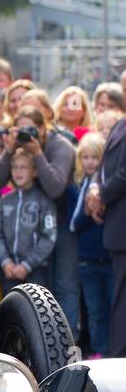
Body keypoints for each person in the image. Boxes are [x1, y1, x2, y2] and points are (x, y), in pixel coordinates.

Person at [0, 105, 79, 333]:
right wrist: (8, 150)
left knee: (63, 287)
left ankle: (63, 345)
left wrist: (38, 153)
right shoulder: (16, 151)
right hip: (18, 252)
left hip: (61, 221)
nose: (24, 133)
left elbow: (55, 188)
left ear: (43, 127)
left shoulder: (60, 145)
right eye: (19, 128)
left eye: (30, 128)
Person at [0, 147, 58, 294]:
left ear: (34, 171)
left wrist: (27, 264)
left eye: (23, 167)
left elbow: (49, 237)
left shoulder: (44, 202)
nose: (18, 171)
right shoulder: (5, 200)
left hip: (36, 271)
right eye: (15, 167)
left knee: (36, 313)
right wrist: (5, 261)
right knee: (11, 312)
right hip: (9, 270)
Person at [89, 109, 126, 355]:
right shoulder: (119, 125)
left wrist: (102, 194)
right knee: (120, 302)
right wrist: (94, 187)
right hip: (118, 229)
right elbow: (104, 167)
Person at [70, 132, 110, 357]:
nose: (90, 162)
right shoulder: (82, 184)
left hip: (109, 257)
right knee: (95, 311)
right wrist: (88, 210)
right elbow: (75, 224)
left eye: (95, 157)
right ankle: (99, 351)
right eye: (85, 157)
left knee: (113, 307)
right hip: (88, 259)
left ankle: (114, 350)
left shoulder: (107, 185)